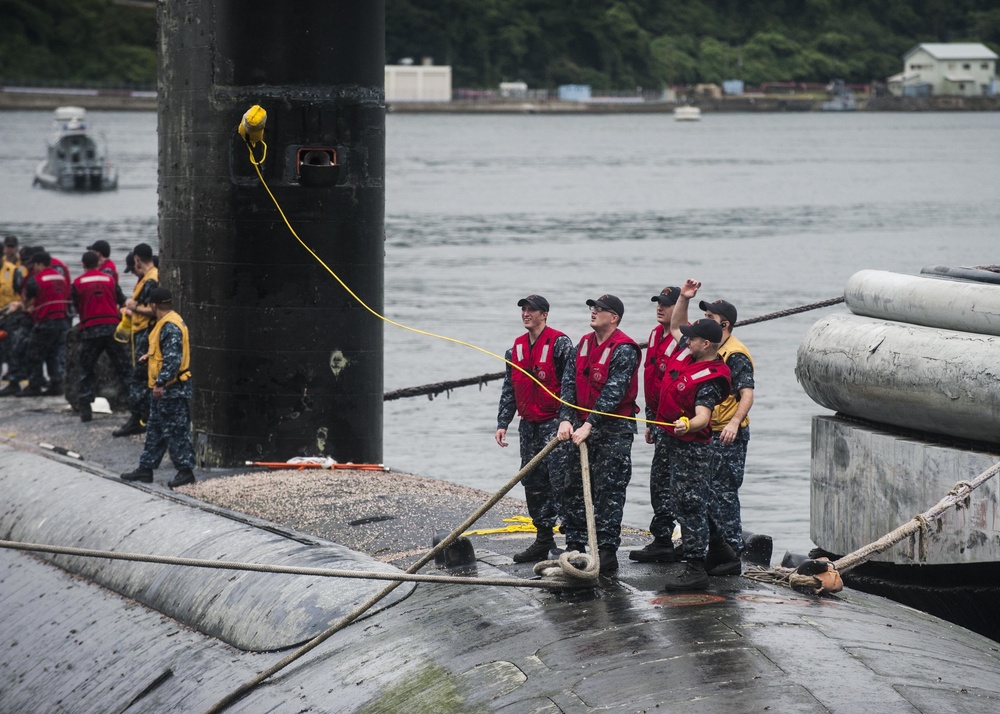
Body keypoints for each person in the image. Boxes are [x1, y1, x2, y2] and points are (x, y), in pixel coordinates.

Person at [654, 280, 732, 591]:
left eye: (693, 339)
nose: (686, 341)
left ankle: (696, 567)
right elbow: (677, 326)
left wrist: (689, 424)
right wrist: (685, 298)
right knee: (689, 501)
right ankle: (722, 553)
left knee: (690, 505)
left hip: (692, 449)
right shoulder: (689, 355)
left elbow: (704, 416)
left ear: (708, 345)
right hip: (673, 443)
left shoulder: (710, 379)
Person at [557, 294, 641, 575]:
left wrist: (590, 424)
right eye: (593, 308)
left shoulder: (624, 349)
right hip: (579, 427)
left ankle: (606, 550)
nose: (594, 312)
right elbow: (568, 383)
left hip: (612, 432)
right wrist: (566, 419)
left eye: (600, 309)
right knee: (573, 486)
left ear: (614, 317)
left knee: (609, 491)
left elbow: (613, 393)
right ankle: (575, 545)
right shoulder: (582, 345)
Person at [495, 294, 575, 562]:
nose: (526, 314)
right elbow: (510, 388)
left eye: (532, 310)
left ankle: (574, 541)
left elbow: (569, 385)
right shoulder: (515, 349)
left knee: (561, 480)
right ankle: (543, 538)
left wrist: (567, 418)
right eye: (524, 310)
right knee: (533, 480)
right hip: (528, 426)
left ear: (545, 314)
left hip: (554, 423)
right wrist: (503, 422)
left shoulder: (560, 344)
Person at [698, 297, 755, 572]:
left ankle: (731, 552)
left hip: (728, 434)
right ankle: (715, 546)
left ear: (725, 323)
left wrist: (734, 423)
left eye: (710, 315)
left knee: (725, 492)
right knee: (708, 492)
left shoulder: (735, 354)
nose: (706, 318)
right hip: (711, 431)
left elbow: (747, 394)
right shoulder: (712, 347)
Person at [630, 286, 687, 564]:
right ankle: (663, 538)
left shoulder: (686, 338)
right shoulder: (654, 334)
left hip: (679, 423)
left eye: (666, 304)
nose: (660, 308)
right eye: (659, 303)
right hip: (659, 420)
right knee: (659, 482)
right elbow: (651, 380)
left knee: (681, 484)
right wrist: (650, 420)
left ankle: (691, 541)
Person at [121, 287, 196, 488]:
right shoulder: (167, 322)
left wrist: (161, 382)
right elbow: (165, 353)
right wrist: (150, 357)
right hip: (164, 388)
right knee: (155, 429)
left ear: (154, 305)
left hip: (171, 388)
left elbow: (173, 360)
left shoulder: (169, 326)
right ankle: (145, 469)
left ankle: (185, 471)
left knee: (176, 430)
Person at [71, 250, 131, 422]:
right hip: (112, 328)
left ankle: (85, 409)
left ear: (83, 265)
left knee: (87, 369)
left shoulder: (77, 283)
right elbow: (121, 300)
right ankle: (134, 406)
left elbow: (76, 306)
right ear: (98, 264)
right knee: (125, 368)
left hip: (90, 330)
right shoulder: (110, 280)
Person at [113, 243, 159, 436]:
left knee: (139, 378)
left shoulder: (150, 280)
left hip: (146, 334)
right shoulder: (149, 277)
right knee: (145, 377)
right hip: (143, 332)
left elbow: (154, 310)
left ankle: (137, 418)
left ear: (137, 259)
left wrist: (134, 307)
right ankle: (146, 417)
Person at [18, 251, 71, 396]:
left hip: (45, 322)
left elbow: (27, 299)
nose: (34, 269)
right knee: (54, 354)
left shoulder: (37, 279)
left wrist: (25, 307)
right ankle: (56, 384)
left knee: (34, 354)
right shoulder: (61, 277)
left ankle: (34, 386)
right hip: (62, 321)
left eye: (35, 265)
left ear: (40, 264)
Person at [0, 235, 29, 384]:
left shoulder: (14, 271)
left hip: (11, 315)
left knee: (12, 346)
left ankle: (14, 377)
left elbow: (23, 293)